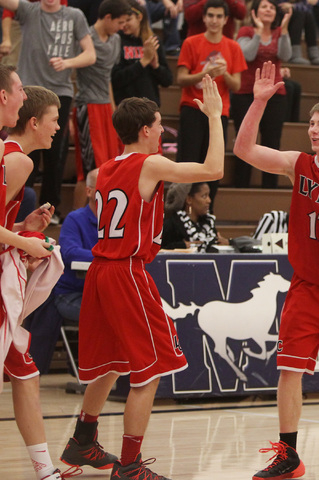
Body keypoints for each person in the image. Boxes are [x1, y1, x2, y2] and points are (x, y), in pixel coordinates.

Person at [59, 75, 224, 480]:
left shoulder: (105, 168)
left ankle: (82, 439)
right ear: (145, 129)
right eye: (158, 125)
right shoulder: (148, 163)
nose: (162, 134)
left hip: (101, 270)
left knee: (110, 364)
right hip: (126, 272)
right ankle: (130, 466)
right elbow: (214, 168)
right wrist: (216, 117)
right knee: (149, 370)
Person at [234, 61, 319, 480]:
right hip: (308, 284)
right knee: (289, 369)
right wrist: (257, 103)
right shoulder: (299, 164)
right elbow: (244, 151)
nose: (313, 129)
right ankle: (288, 454)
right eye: (311, 122)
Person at [0, 74, 66, 480]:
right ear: (33, 122)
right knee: (23, 370)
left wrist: (23, 226)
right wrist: (26, 245)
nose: (59, 126)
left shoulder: (14, 156)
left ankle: (46, 470)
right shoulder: (17, 159)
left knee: (24, 371)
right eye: (54, 118)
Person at [0, 0, 96, 224]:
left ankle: (46, 207)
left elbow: (90, 55)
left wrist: (68, 62)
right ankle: (20, 207)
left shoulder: (74, 15)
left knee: (54, 153)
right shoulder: (29, 10)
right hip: (32, 88)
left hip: (59, 91)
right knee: (26, 154)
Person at [176, 0, 246, 205]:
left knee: (214, 164)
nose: (214, 20)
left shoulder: (233, 46)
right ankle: (180, 211)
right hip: (192, 107)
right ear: (204, 18)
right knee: (187, 163)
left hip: (219, 112)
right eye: (211, 16)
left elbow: (237, 85)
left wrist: (224, 72)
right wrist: (204, 73)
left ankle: (208, 213)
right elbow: (180, 78)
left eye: (219, 16)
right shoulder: (191, 42)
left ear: (226, 20)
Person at [230, 0, 291, 188]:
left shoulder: (280, 31)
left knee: (271, 143)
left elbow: (286, 55)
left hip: (275, 94)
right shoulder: (246, 31)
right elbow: (246, 55)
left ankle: (269, 190)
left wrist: (285, 29)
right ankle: (241, 186)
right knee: (245, 142)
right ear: (255, 12)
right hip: (246, 93)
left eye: (272, 7)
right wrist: (257, 32)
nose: (268, 10)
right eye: (264, 6)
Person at [73, 0, 130, 196]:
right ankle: (78, 220)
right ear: (107, 18)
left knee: (110, 167)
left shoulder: (115, 40)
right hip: (87, 105)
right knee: (90, 171)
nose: (123, 27)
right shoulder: (85, 37)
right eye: (120, 22)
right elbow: (73, 73)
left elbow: (107, 79)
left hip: (106, 107)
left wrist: (113, 109)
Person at [52, 168, 98, 325]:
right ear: (89, 191)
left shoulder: (118, 222)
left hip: (106, 294)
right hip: (72, 294)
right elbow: (71, 253)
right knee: (107, 316)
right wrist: (107, 255)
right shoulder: (74, 219)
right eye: (104, 186)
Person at [111, 0, 174, 107]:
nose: (124, 25)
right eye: (121, 21)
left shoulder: (153, 40)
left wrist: (156, 66)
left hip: (149, 107)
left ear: (139, 18)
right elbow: (116, 79)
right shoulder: (117, 40)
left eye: (128, 20)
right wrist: (143, 62)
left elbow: (167, 80)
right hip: (125, 107)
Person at [161, 181, 228, 251]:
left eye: (209, 196)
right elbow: (159, 251)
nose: (209, 200)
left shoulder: (208, 223)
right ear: (189, 199)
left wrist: (225, 243)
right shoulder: (172, 225)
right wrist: (182, 246)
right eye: (204, 196)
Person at [275, 0, 319, 65]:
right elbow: (277, 5)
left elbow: (308, 7)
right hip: (277, 16)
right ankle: (294, 54)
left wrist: (293, 6)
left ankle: (314, 55)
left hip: (293, 15)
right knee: (300, 13)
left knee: (308, 14)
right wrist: (290, 7)